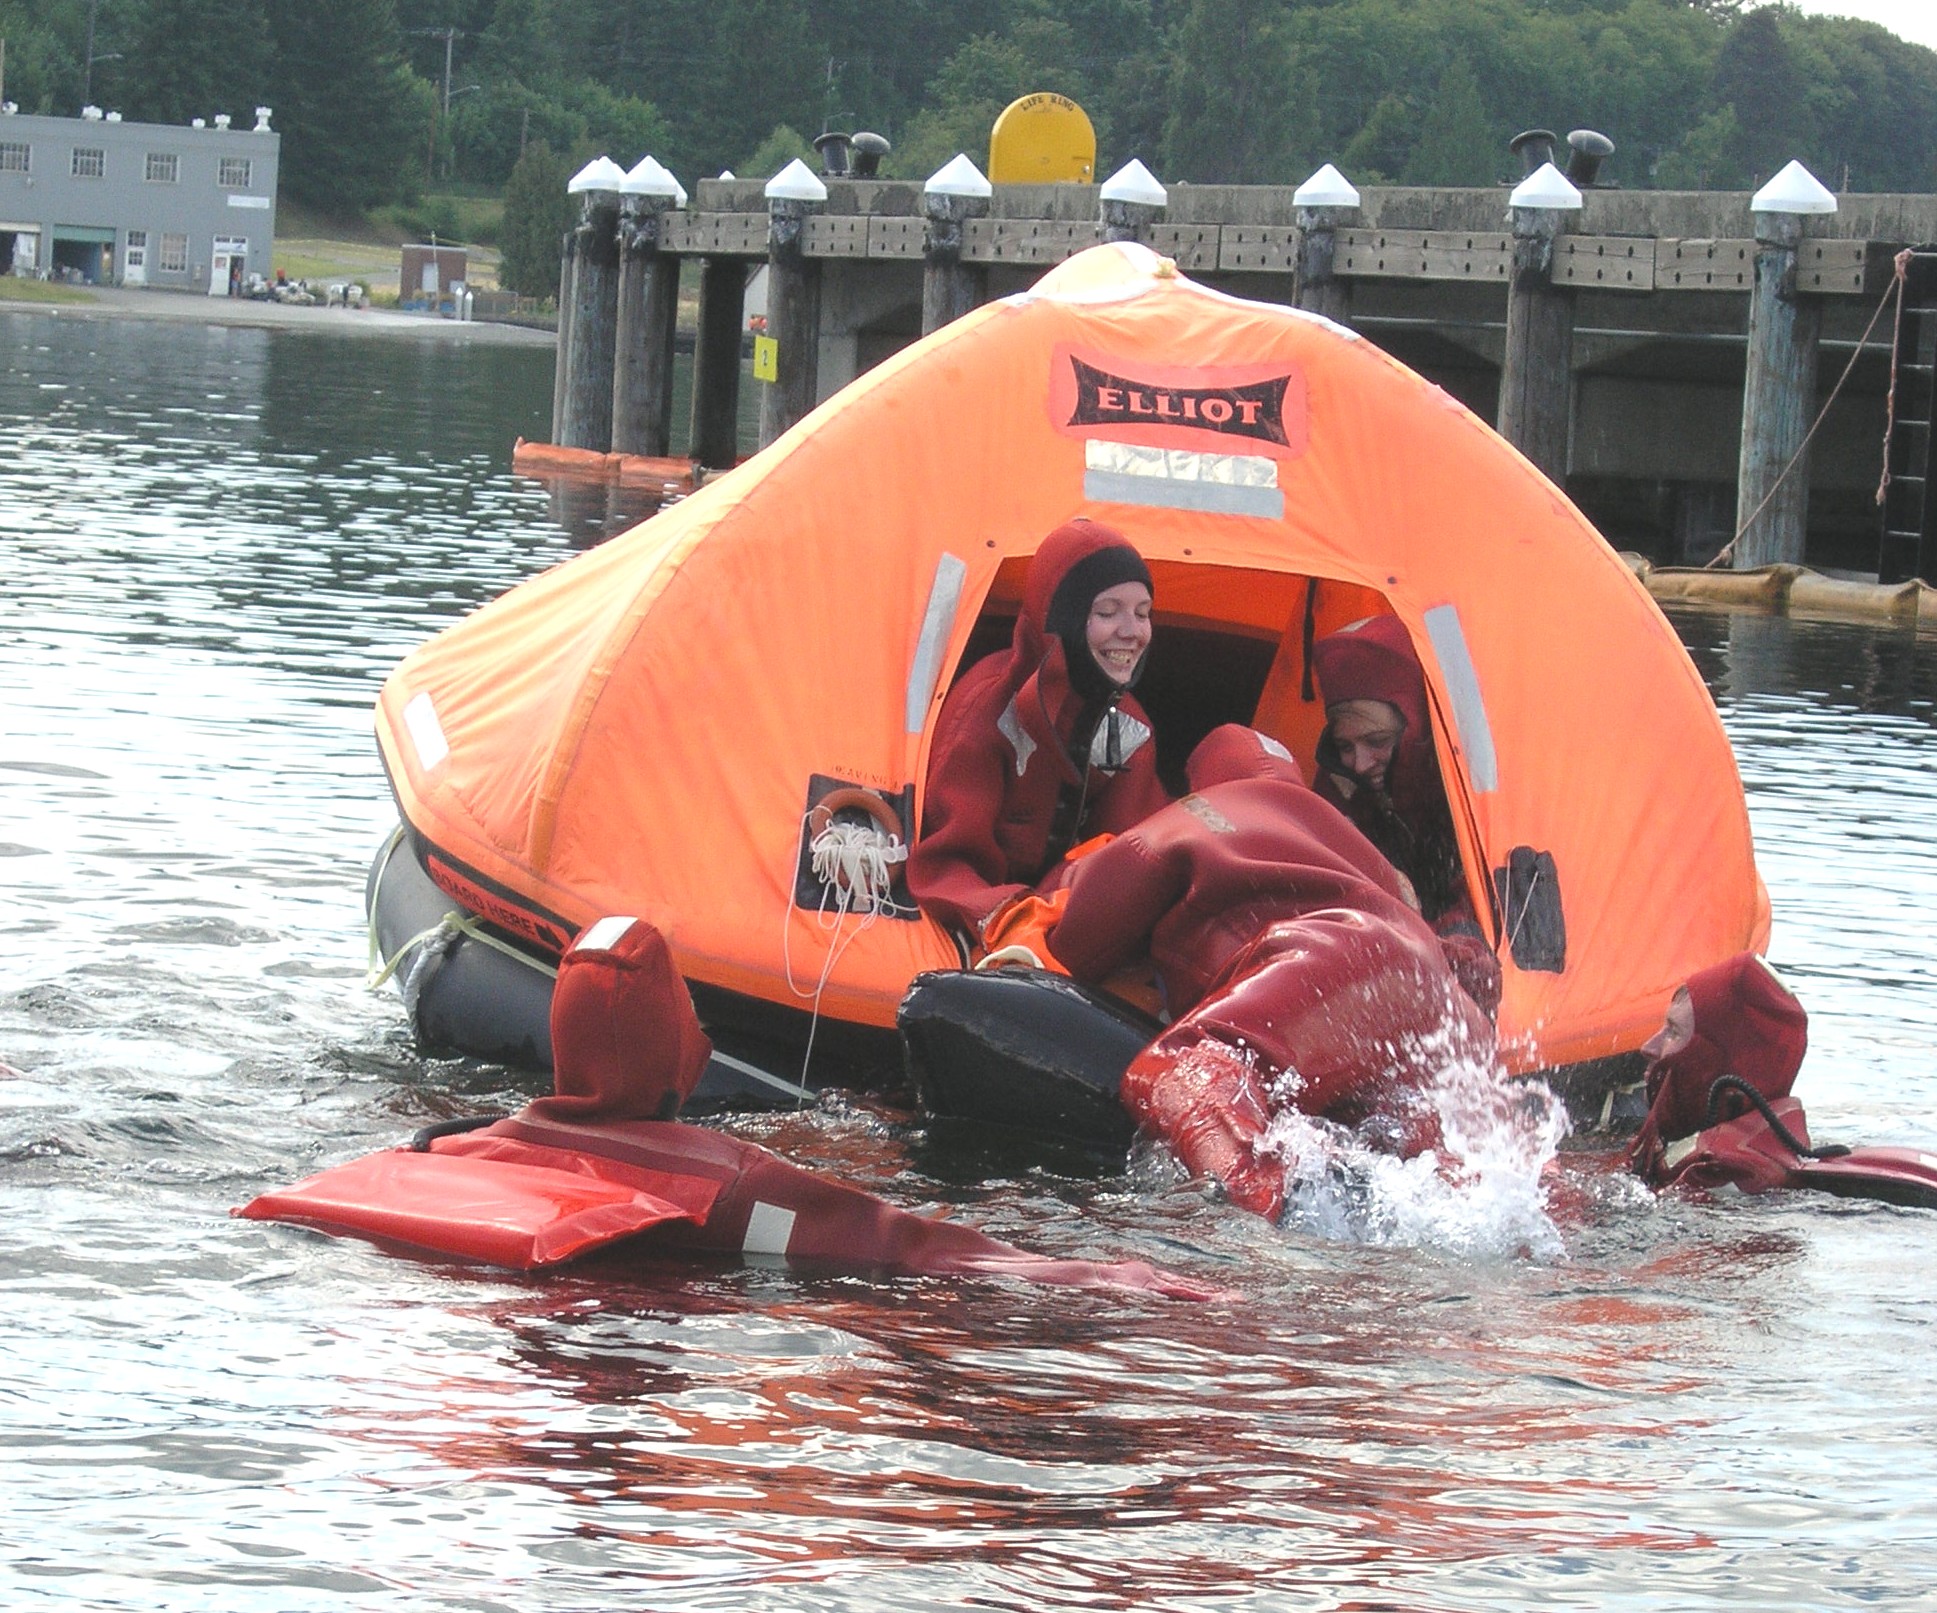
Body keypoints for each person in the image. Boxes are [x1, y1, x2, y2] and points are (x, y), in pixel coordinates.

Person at [1046, 725, 1497, 1220]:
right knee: (1459, 1174)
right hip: (1443, 1003)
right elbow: (1463, 966)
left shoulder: (1195, 815)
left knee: (1184, 1069)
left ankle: (1258, 1217)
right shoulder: (1351, 840)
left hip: (1335, 957)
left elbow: (1079, 941)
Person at [908, 518, 1171, 948]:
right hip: (981, 923)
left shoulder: (1131, 727)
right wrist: (1009, 915)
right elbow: (942, 863)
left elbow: (1135, 850)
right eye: (1107, 612)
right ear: (1060, 619)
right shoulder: (986, 715)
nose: (1132, 631)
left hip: (1065, 915)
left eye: (1143, 614)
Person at [1310, 613, 1500, 1013]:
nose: (1359, 763)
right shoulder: (1339, 785)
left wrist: (1440, 955)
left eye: (1377, 741)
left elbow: (1484, 897)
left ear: (1417, 725)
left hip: (1457, 961)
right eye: (1345, 746)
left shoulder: (1472, 785)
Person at [1626, 952, 1807, 1186]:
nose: (1648, 1047)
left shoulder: (1717, 1173)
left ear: (1722, 1067)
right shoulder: (1775, 1150)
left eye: (1673, 1032)